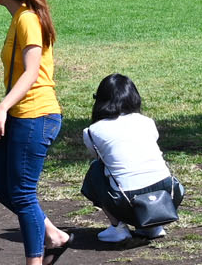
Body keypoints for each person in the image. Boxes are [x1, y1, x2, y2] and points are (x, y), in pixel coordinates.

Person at [0, 0, 70, 265]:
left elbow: (32, 73)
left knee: (21, 192)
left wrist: (2, 108)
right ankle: (54, 235)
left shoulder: (28, 21)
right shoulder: (19, 18)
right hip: (20, 116)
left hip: (36, 116)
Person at [79, 73, 184, 246]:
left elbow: (101, 160)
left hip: (126, 201)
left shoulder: (92, 131)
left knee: (96, 170)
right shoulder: (147, 122)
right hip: (169, 195)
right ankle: (153, 226)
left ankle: (118, 228)